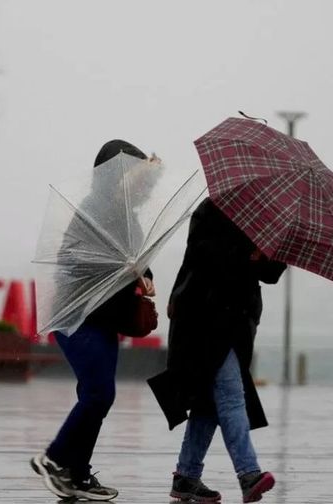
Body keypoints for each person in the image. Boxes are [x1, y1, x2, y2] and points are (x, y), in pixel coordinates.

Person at [31, 139, 156, 502]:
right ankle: (54, 459)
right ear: (111, 175)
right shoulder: (92, 210)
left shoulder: (129, 217)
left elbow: (138, 260)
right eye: (130, 173)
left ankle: (78, 475)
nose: (136, 181)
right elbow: (71, 256)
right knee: (100, 393)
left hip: (106, 317)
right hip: (78, 315)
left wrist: (144, 276)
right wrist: (121, 265)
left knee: (95, 395)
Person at [160, 197, 286, 503]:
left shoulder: (265, 218)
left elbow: (268, 274)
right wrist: (248, 253)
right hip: (204, 320)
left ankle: (187, 477)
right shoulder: (210, 210)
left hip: (237, 325)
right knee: (231, 395)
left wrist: (271, 252)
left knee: (209, 404)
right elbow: (206, 257)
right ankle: (248, 474)